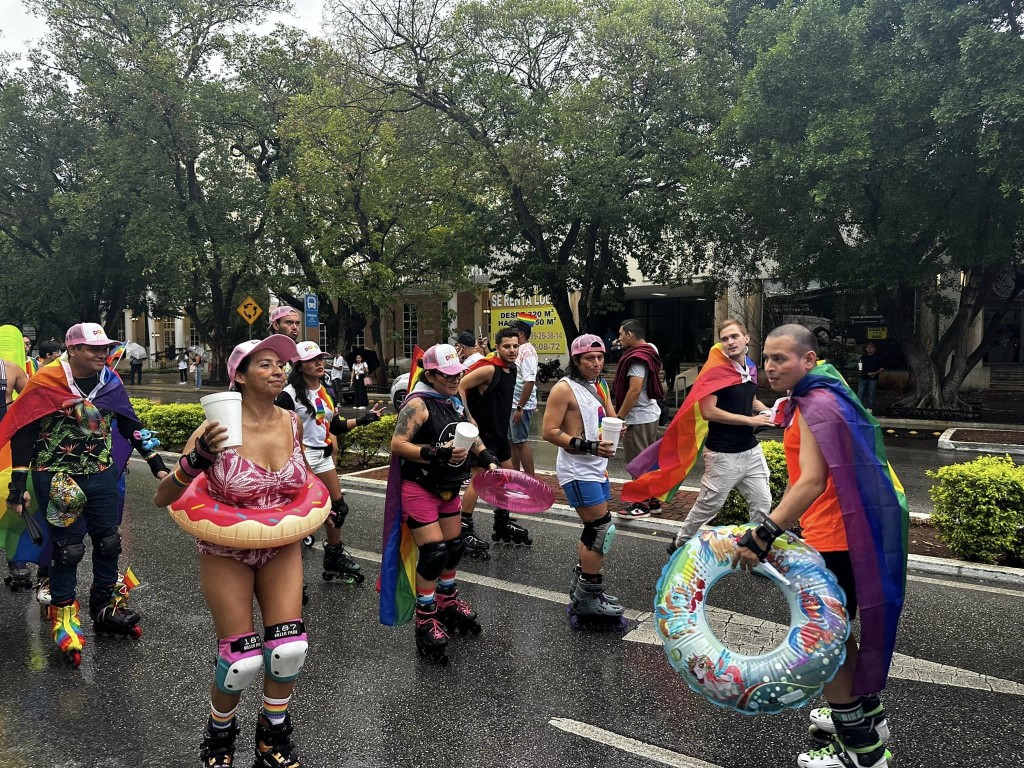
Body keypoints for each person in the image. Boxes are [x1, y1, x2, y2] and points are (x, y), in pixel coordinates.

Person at [732, 324, 908, 768]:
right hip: (843, 535)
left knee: (827, 644)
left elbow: (811, 481)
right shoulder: (825, 395)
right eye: (767, 358)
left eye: (782, 359)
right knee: (840, 634)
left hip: (836, 540)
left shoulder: (814, 406)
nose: (770, 367)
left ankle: (862, 753)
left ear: (808, 360)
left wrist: (764, 532)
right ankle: (871, 723)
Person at [154, 335, 311, 768]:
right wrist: (195, 461)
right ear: (239, 376)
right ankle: (219, 734)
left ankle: (272, 735)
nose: (278, 370)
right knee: (239, 658)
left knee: (288, 649)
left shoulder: (291, 422)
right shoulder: (214, 427)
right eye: (265, 364)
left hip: (281, 545)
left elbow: (308, 485)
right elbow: (163, 496)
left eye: (280, 364)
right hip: (226, 549)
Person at [1, 323, 169, 665]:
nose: (101, 354)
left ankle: (105, 607)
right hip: (57, 475)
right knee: (69, 548)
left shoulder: (110, 381)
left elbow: (129, 423)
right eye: (93, 349)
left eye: (104, 348)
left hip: (101, 474)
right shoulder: (48, 380)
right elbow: (24, 430)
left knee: (109, 541)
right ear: (72, 349)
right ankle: (63, 615)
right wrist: (18, 484)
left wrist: (157, 464)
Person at [384, 343, 499, 663]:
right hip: (419, 487)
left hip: (449, 487)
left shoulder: (454, 399)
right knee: (434, 553)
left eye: (457, 373)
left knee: (455, 546)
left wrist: (486, 456)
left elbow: (470, 432)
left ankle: (448, 601)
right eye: (447, 375)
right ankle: (426, 616)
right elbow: (397, 444)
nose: (454, 378)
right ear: (431, 375)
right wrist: (436, 453)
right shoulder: (419, 403)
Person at [277, 341, 386, 586]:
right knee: (296, 514)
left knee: (338, 509)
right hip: (299, 458)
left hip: (323, 456)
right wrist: (297, 458)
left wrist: (364, 419)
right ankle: (286, 571)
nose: (319, 363)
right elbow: (277, 432)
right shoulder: (288, 396)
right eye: (312, 360)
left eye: (320, 359)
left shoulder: (325, 389)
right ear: (299, 365)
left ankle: (334, 557)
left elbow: (334, 426)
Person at [665, 319, 773, 553]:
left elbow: (749, 400)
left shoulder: (751, 368)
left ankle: (754, 550)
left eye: (734, 336)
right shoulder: (714, 371)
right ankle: (680, 543)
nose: (730, 342)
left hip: (750, 450)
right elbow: (708, 411)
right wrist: (751, 420)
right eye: (724, 339)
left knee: (763, 503)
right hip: (723, 453)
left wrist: (766, 411)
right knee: (709, 505)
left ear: (747, 338)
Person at [541, 334, 625, 629]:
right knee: (600, 529)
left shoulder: (600, 385)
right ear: (576, 360)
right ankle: (589, 594)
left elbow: (610, 418)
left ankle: (583, 589)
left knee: (597, 529)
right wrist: (588, 446)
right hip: (577, 469)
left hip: (597, 467)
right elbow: (549, 431)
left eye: (600, 357)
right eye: (590, 358)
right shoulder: (564, 389)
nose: (597, 363)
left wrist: (617, 428)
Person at [456, 327, 524, 557]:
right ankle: (463, 529)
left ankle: (502, 521)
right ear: (497, 347)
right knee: (479, 479)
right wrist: (468, 416)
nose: (512, 350)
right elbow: (460, 386)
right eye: (507, 346)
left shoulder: (510, 368)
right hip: (481, 435)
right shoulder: (488, 368)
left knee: (508, 474)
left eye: (515, 346)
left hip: (499, 432)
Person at [613, 319, 665, 518]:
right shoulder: (650, 348)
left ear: (629, 335)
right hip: (651, 413)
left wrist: (620, 417)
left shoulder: (636, 358)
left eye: (620, 334)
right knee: (650, 461)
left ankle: (640, 504)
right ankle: (653, 501)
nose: (618, 338)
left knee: (638, 463)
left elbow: (634, 390)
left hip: (638, 417)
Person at [0, 355, 31, 591]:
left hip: (5, 447)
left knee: (12, 502)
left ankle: (16, 560)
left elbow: (35, 401)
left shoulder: (10, 369)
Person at [507, 317, 538, 477]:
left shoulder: (527, 351)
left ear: (520, 333)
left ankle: (531, 480)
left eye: (512, 330)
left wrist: (520, 407)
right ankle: (516, 476)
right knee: (513, 442)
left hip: (520, 405)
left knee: (520, 442)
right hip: (513, 404)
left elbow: (529, 382)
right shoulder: (519, 349)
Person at [857, 342, 885, 413]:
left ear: (874, 349)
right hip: (863, 378)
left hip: (873, 379)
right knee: (860, 394)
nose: (869, 349)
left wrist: (875, 373)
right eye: (868, 347)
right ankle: (859, 408)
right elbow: (860, 366)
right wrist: (859, 368)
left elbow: (882, 368)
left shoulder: (878, 357)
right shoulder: (863, 357)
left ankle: (870, 409)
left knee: (871, 394)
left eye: (871, 347)